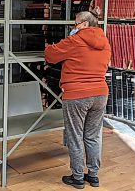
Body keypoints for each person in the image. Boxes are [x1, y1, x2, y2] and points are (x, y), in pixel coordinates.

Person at [44, 11, 111, 189]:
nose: (74, 28)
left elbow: (51, 56)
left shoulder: (75, 40)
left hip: (77, 95)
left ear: (85, 24)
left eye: (76, 24)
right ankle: (94, 175)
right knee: (93, 136)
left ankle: (78, 177)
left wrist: (49, 46)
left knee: (75, 137)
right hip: (100, 93)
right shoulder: (105, 42)